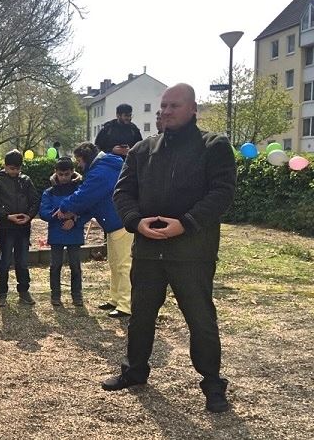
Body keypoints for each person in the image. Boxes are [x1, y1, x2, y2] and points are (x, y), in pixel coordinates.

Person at [105, 83, 237, 414]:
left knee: (201, 319)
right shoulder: (142, 150)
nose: (165, 111)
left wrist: (187, 223)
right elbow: (122, 193)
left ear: (193, 109)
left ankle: (212, 383)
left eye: (173, 106)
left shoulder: (213, 146)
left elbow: (222, 193)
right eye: (163, 105)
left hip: (192, 252)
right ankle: (135, 371)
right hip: (148, 251)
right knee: (141, 316)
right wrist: (136, 222)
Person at [54, 142, 133, 317]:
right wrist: (77, 216)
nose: (78, 165)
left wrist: (64, 207)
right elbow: (92, 203)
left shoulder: (99, 173)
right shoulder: (106, 166)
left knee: (124, 265)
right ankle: (116, 299)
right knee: (115, 263)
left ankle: (126, 304)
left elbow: (84, 195)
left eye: (79, 161)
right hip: (114, 223)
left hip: (121, 222)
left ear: (85, 158)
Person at [0, 149, 39, 307]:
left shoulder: (26, 180)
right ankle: (2, 292)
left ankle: (24, 291)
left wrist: (29, 216)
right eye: (11, 169)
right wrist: (7, 216)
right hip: (6, 227)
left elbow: (35, 201)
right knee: (4, 261)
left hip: (23, 227)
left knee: (22, 262)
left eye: (17, 169)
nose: (15, 172)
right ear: (5, 166)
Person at [39, 157, 88, 306]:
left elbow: (87, 209)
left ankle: (77, 295)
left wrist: (74, 220)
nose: (64, 177)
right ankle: (55, 295)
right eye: (61, 174)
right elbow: (43, 212)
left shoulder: (80, 190)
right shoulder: (49, 192)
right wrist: (59, 214)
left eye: (67, 174)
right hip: (56, 233)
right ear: (56, 173)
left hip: (74, 231)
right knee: (55, 266)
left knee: (75, 266)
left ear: (72, 172)